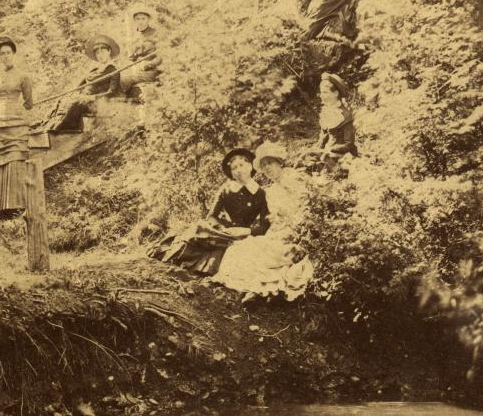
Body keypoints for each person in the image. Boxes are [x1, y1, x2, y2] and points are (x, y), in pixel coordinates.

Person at [212, 142, 314, 302]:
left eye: (270, 163)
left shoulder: (295, 178)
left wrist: (292, 225)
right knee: (241, 249)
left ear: (279, 162)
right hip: (277, 232)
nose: (267, 168)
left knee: (268, 253)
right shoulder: (271, 191)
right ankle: (253, 290)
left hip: (297, 231)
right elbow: (269, 222)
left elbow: (307, 208)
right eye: (264, 165)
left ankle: (264, 291)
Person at [150, 148, 270, 276]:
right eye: (234, 168)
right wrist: (222, 228)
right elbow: (212, 216)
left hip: (243, 234)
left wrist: (246, 231)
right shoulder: (226, 189)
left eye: (241, 165)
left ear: (250, 166)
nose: (239, 170)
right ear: (232, 173)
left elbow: (265, 226)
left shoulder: (261, 193)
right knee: (200, 229)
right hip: (222, 231)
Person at [0, 38, 34, 214]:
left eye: (8, 52)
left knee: (15, 157)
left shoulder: (23, 76)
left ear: (13, 54)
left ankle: (17, 204)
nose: (6, 56)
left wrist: (16, 109)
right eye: (2, 53)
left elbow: (29, 102)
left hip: (17, 122)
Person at [50, 36, 121, 133]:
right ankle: (47, 123)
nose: (100, 55)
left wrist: (92, 98)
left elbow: (112, 92)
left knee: (76, 103)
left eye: (103, 51)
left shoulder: (113, 70)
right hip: (84, 99)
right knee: (63, 99)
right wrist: (73, 94)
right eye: (97, 53)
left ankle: (60, 129)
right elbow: (78, 86)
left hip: (98, 103)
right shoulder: (93, 70)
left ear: (109, 52)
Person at [120, 4, 162, 99]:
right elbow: (132, 57)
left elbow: (160, 56)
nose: (141, 21)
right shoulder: (134, 35)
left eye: (143, 18)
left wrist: (148, 65)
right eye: (138, 19)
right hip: (135, 68)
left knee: (125, 79)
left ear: (148, 19)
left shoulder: (155, 34)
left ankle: (121, 100)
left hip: (150, 70)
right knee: (116, 76)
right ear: (134, 20)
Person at [319, 73, 357, 161]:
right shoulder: (326, 112)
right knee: (306, 157)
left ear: (335, 93)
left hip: (342, 155)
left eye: (325, 92)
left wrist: (331, 150)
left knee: (325, 159)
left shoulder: (345, 115)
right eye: (321, 92)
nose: (321, 96)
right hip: (326, 152)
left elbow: (349, 144)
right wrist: (318, 149)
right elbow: (323, 138)